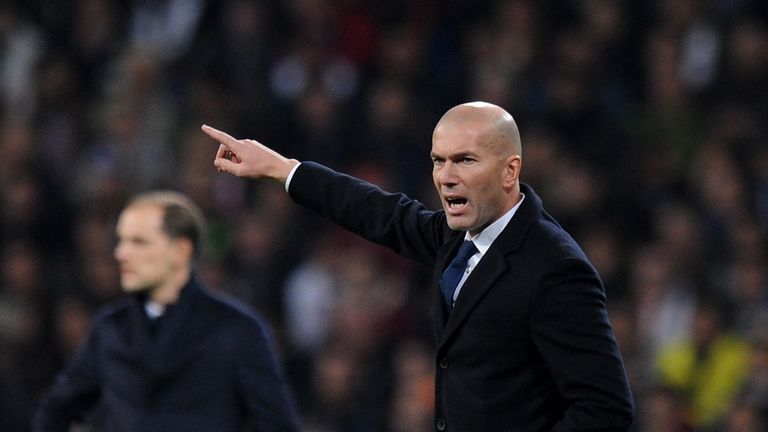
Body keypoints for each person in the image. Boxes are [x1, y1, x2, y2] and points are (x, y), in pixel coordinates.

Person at [202, 101, 635, 431]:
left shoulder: (554, 268)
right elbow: (377, 212)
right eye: (437, 160)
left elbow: (606, 409)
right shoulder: (460, 235)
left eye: (465, 160)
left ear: (510, 171)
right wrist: (283, 170)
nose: (446, 176)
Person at [33, 191, 300, 431]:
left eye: (139, 242)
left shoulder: (236, 330)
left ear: (181, 251)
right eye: (122, 241)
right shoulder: (111, 328)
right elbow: (56, 409)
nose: (121, 253)